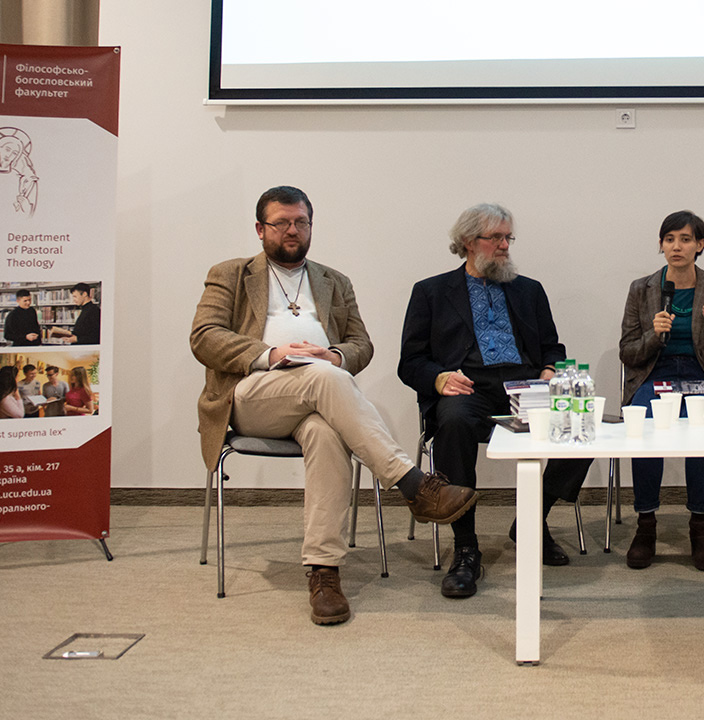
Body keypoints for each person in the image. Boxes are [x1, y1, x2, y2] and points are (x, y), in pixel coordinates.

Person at [191, 185, 476, 627]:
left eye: (301, 222)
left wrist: (336, 356)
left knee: (326, 429)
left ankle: (324, 572)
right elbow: (205, 336)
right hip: (250, 394)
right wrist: (272, 354)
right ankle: (413, 484)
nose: (292, 230)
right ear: (260, 229)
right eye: (281, 223)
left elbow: (362, 343)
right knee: (327, 379)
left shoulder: (334, 281)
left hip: (319, 399)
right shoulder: (230, 274)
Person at [399, 203, 592, 599]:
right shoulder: (431, 292)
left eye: (508, 238)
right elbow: (410, 362)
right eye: (496, 238)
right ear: (469, 241)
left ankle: (532, 519)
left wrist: (549, 370)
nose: (505, 245)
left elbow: (551, 346)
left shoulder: (529, 290)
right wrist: (440, 378)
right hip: (467, 388)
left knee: (581, 424)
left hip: (524, 387)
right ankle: (466, 547)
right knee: (453, 422)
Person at [619, 211, 704, 572]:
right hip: (653, 374)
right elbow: (628, 353)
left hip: (701, 374)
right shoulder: (641, 289)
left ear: (699, 245)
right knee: (644, 428)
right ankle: (646, 524)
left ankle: (700, 525)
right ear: (661, 245)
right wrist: (652, 335)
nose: (677, 246)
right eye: (669, 239)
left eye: (685, 239)